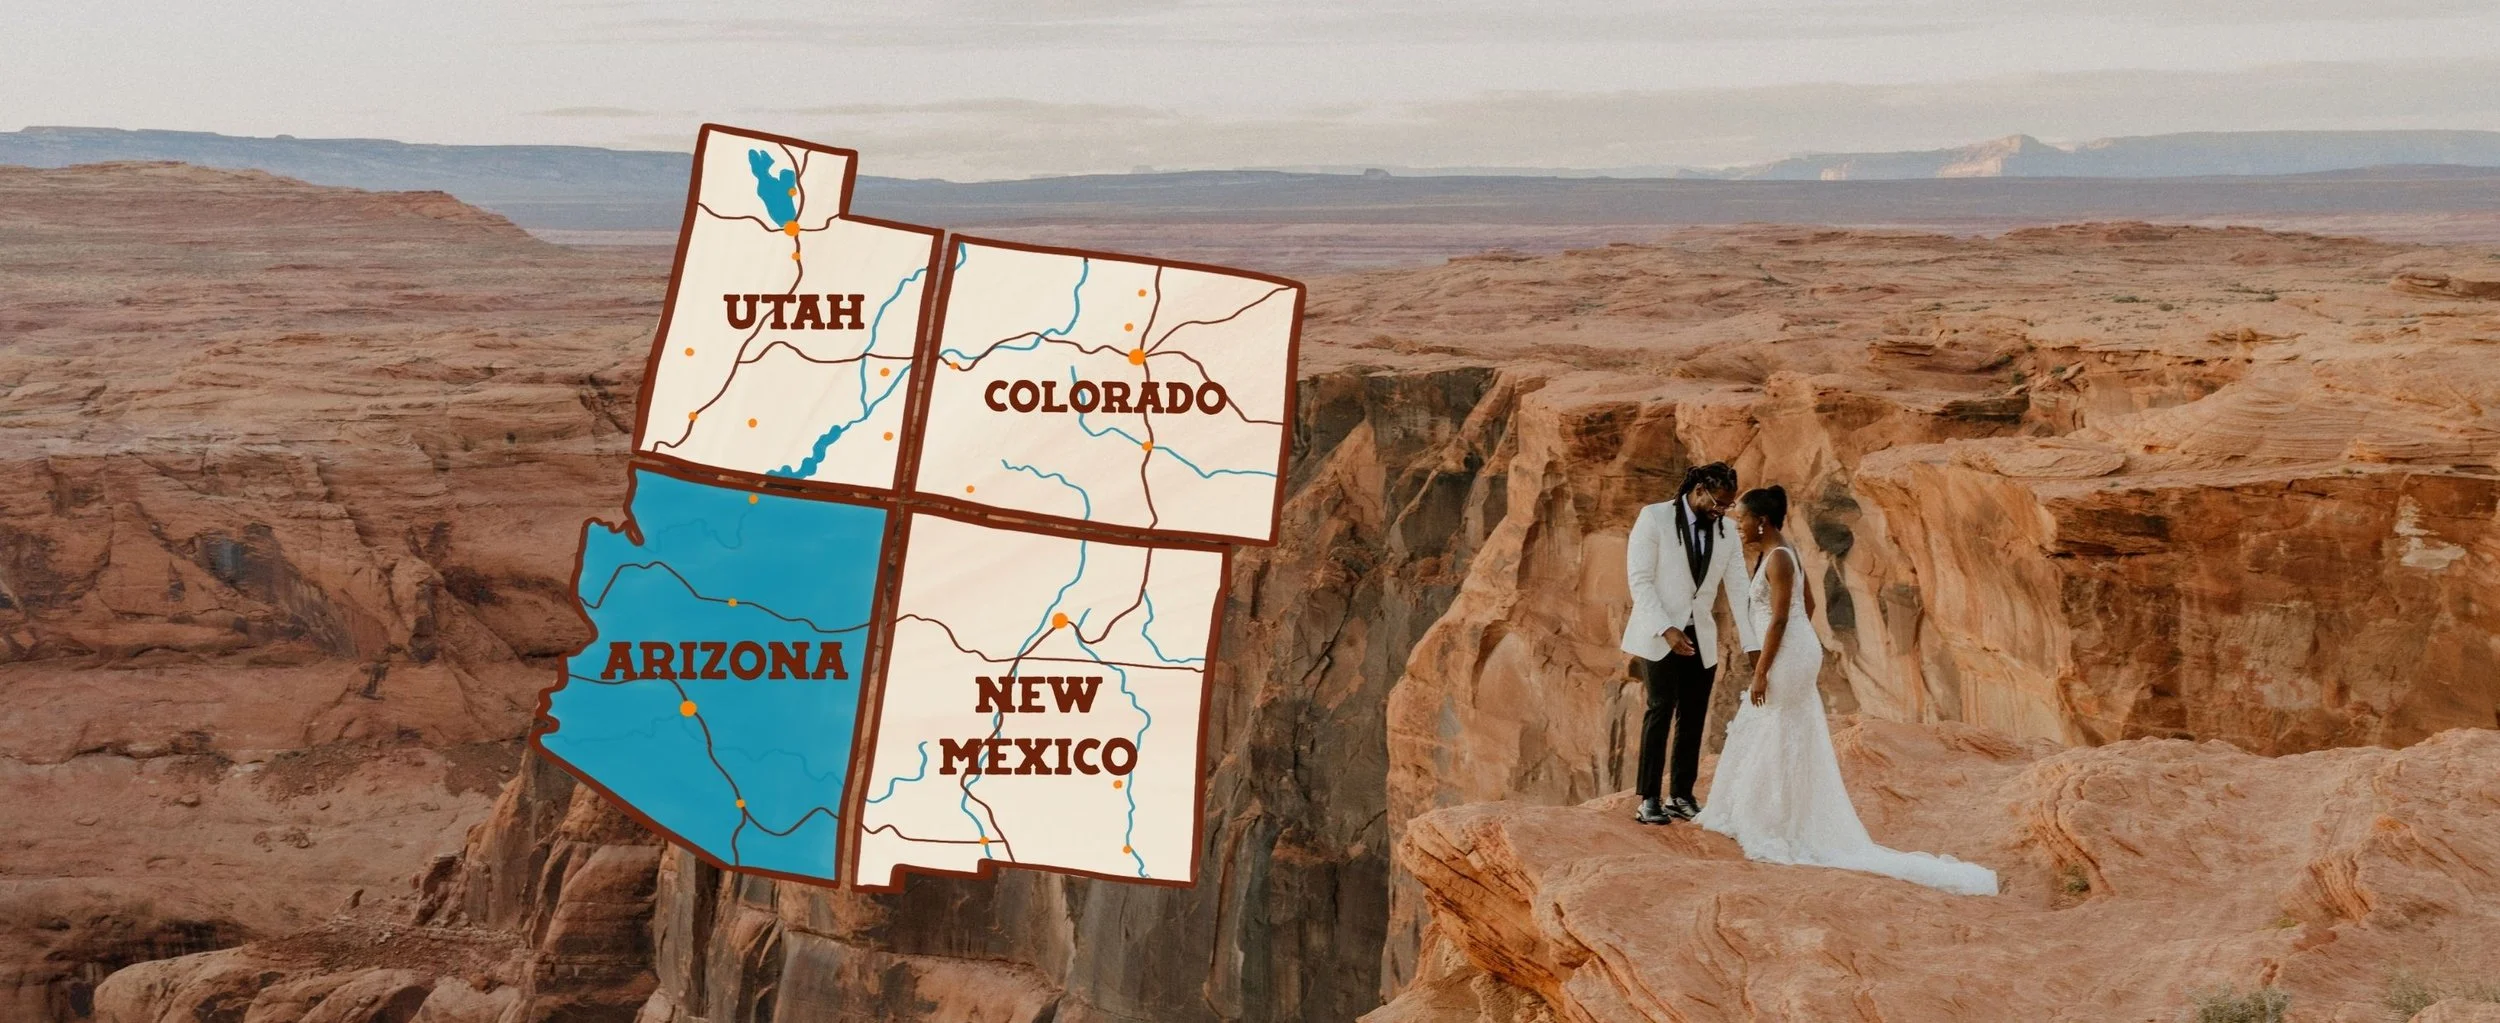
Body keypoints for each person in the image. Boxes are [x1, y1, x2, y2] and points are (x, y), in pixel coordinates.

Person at [1694, 486, 1998, 896]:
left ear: (1761, 521)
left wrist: (1762, 670)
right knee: (1779, 723)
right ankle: (1774, 811)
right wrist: (1794, 642)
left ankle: (1774, 819)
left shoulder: (1779, 557)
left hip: (1785, 652)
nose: (1738, 525)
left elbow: (1780, 619)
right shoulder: (1780, 552)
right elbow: (1807, 607)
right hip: (1795, 648)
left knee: (1774, 719)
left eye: (1742, 518)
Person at [1619, 461, 1747, 826]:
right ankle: (1648, 800)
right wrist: (1666, 628)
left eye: (1729, 506)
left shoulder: (1727, 530)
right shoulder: (1654, 518)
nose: (1723, 511)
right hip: (1659, 632)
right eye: (1718, 503)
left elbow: (1739, 589)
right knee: (1660, 709)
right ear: (1699, 490)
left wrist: (1753, 643)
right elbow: (1640, 580)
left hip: (1700, 634)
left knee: (1693, 714)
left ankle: (1681, 795)